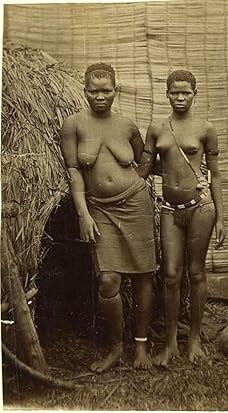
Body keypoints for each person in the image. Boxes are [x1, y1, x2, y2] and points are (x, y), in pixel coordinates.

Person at [60, 63, 157, 373]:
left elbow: (144, 161)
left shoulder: (127, 125)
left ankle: (140, 345)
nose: (99, 96)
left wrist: (138, 183)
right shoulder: (73, 125)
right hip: (100, 209)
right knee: (108, 280)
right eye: (93, 90)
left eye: (106, 90)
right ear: (84, 90)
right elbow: (75, 172)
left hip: (135, 205)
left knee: (143, 275)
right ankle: (116, 347)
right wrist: (84, 214)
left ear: (115, 91)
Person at [138, 70, 225, 366]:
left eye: (186, 92)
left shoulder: (205, 128)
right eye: (175, 92)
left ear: (195, 94)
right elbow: (144, 169)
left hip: (201, 206)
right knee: (171, 275)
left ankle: (195, 340)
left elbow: (215, 176)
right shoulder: (157, 128)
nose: (180, 97)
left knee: (197, 272)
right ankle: (171, 342)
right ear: (167, 94)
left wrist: (222, 219)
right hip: (170, 210)